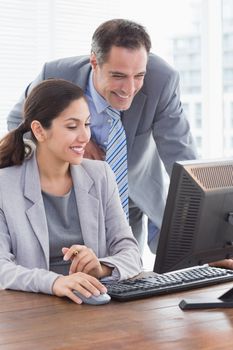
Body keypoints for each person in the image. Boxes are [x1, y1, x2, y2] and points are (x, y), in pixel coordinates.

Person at [7, 18, 198, 253]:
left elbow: (181, 153)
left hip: (130, 197)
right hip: (70, 199)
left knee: (125, 271)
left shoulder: (162, 79)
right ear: (94, 62)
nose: (129, 89)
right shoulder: (55, 75)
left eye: (138, 76)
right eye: (118, 76)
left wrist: (207, 235)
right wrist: (71, 145)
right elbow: (19, 123)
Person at [0, 79, 142, 304]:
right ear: (39, 130)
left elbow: (130, 252)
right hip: (32, 311)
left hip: (93, 305)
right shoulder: (5, 186)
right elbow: (2, 268)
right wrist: (54, 282)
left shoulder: (100, 174)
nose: (85, 136)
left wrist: (101, 267)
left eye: (86, 124)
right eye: (71, 126)